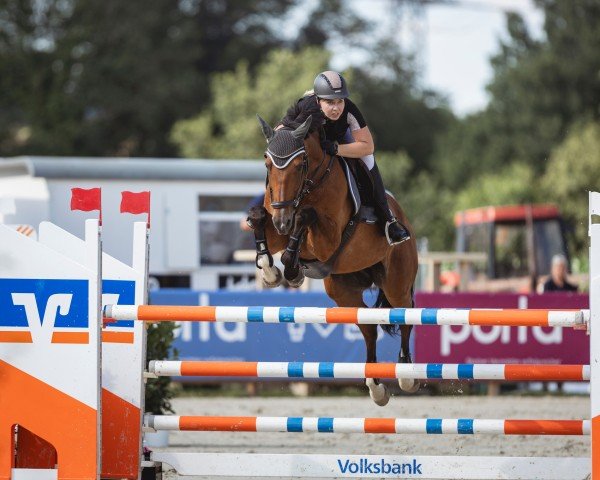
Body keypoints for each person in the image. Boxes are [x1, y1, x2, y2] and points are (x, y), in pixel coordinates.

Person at [278, 71, 410, 246]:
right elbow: (281, 129)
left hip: (340, 141)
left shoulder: (349, 109)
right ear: (318, 101)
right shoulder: (306, 105)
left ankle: (388, 220)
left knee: (368, 159)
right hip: (313, 149)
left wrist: (336, 148)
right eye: (330, 102)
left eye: (339, 101)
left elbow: (367, 145)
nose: (336, 108)